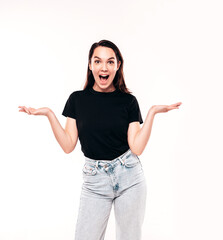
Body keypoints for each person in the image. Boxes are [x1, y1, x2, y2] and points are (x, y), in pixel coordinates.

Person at [18, 39, 182, 240]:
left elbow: (137, 147)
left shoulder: (128, 101)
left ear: (117, 66)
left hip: (129, 177)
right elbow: (69, 145)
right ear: (90, 65)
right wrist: (50, 114)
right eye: (98, 61)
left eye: (110, 62)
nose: (104, 67)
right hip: (95, 180)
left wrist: (152, 113)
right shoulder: (77, 100)